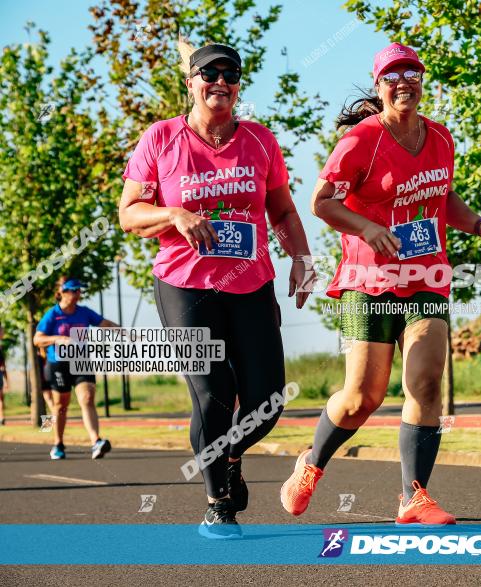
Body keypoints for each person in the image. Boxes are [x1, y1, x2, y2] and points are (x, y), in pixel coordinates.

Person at [281, 43, 481, 525]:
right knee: (360, 399)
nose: (402, 82)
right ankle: (311, 463)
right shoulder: (360, 141)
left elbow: (442, 195)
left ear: (422, 79)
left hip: (427, 277)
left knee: (426, 383)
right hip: (368, 283)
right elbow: (321, 201)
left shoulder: (441, 138)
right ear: (379, 86)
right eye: (392, 76)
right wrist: (367, 228)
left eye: (410, 72)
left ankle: (414, 496)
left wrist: (479, 225)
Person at [118, 40, 313, 539]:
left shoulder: (261, 140)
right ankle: (217, 505)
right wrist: (173, 214)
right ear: (191, 82)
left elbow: (284, 211)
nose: (220, 82)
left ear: (238, 86)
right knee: (212, 395)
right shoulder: (160, 138)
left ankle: (229, 454)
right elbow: (129, 214)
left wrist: (302, 259)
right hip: (185, 286)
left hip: (251, 283)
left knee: (268, 398)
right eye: (209, 74)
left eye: (230, 74)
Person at [34, 278, 118, 460]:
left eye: (79, 290)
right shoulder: (53, 314)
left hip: (81, 360)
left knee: (87, 398)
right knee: (60, 405)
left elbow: (105, 324)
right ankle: (58, 443)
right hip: (58, 363)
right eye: (73, 290)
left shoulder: (84, 312)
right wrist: (58, 338)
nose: (77, 294)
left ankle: (96, 441)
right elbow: (37, 339)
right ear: (62, 292)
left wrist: (127, 333)